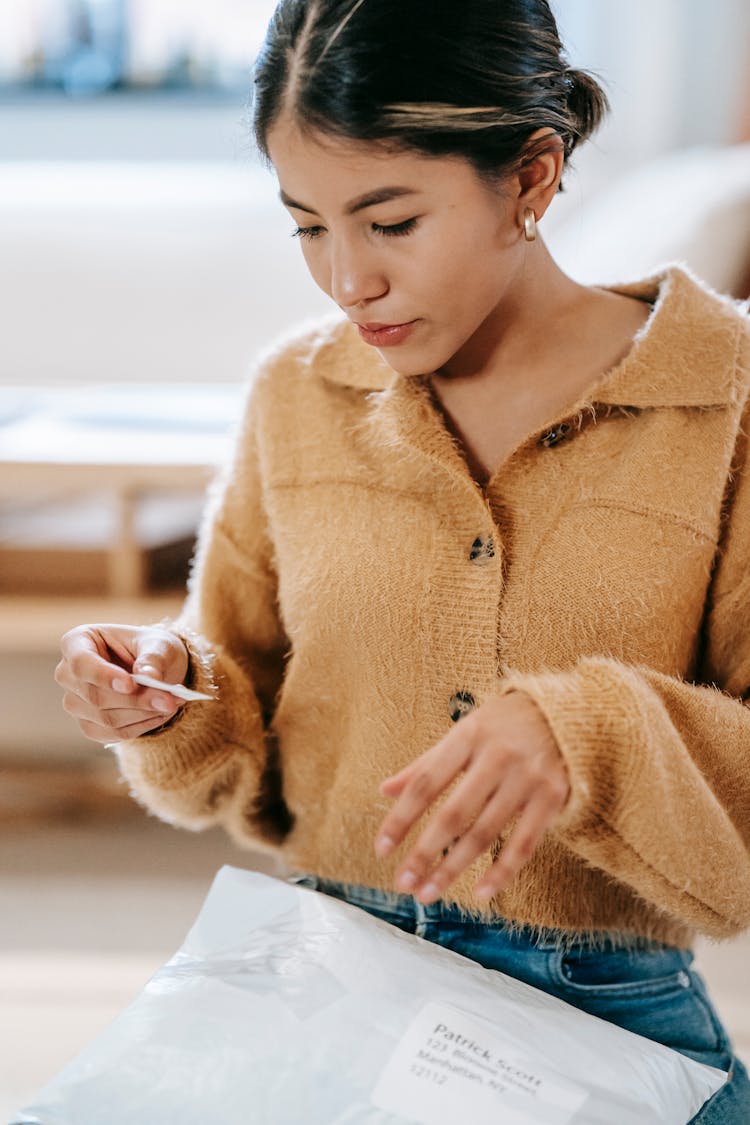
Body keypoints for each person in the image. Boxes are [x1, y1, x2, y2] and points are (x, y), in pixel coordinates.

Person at [55, 1, 750, 1118]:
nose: (345, 279)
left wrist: (590, 733)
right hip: (328, 986)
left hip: (606, 1017)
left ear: (531, 176)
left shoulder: (728, 396)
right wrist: (165, 691)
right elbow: (241, 694)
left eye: (389, 221)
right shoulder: (298, 393)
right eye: (308, 227)